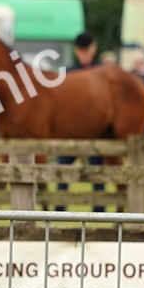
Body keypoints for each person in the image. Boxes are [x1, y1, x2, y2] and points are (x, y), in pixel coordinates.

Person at [58, 33, 103, 209]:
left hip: (95, 132)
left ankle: (99, 209)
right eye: (82, 51)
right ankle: (59, 208)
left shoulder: (102, 73)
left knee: (98, 172)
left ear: (94, 49)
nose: (85, 54)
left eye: (87, 50)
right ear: (77, 51)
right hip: (72, 131)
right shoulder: (69, 73)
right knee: (62, 171)